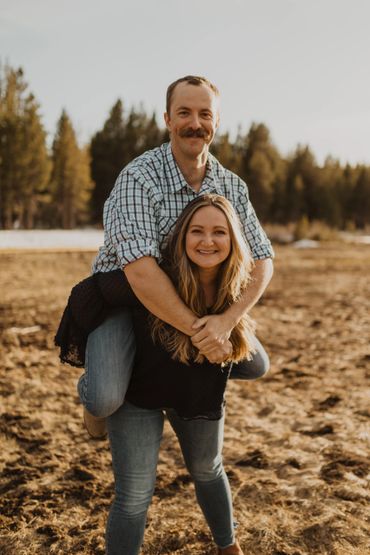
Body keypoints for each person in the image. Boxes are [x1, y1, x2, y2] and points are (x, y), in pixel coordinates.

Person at [78, 74, 274, 439]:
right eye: (184, 112)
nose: (195, 123)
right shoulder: (139, 177)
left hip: (195, 296)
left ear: (217, 121)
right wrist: (203, 335)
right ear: (167, 119)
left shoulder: (232, 186)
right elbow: (140, 273)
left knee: (255, 364)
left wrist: (226, 322)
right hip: (124, 297)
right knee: (105, 397)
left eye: (204, 114)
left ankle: (161, 373)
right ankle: (92, 391)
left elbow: (263, 259)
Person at [107, 194, 257, 554]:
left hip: (195, 394)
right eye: (197, 231)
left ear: (233, 239)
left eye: (219, 232)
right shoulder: (157, 277)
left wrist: (228, 327)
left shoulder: (235, 291)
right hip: (137, 393)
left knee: (208, 468)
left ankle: (228, 545)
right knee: (135, 494)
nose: (208, 241)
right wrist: (100, 383)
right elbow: (93, 293)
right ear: (181, 236)